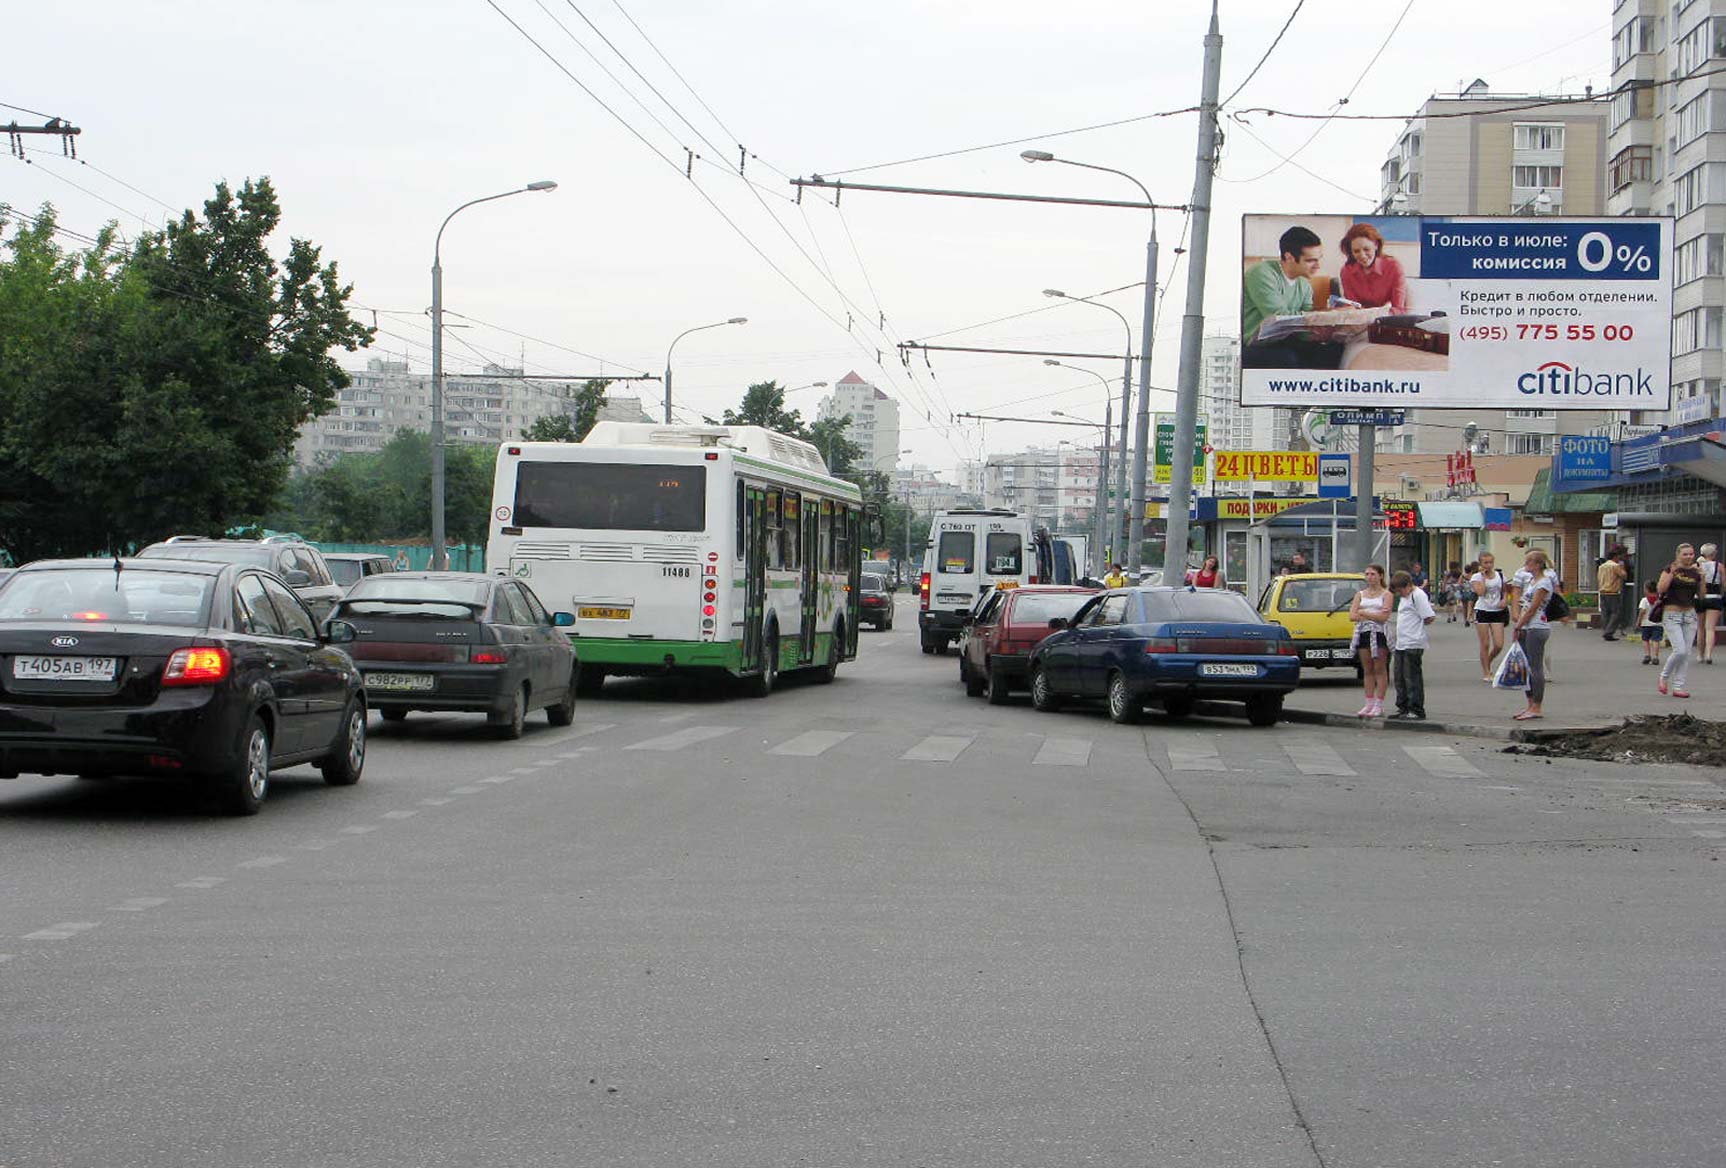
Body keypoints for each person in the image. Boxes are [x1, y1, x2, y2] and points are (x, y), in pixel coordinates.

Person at [1241, 226, 1345, 369]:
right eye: (1310, 260)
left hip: (1286, 341)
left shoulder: (1304, 284)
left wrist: (1322, 332)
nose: (1317, 266)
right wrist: (1321, 316)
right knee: (1287, 358)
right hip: (1253, 344)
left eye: (1318, 259)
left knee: (1333, 350)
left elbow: (1305, 323)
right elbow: (1278, 316)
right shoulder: (1261, 273)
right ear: (1289, 257)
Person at [1507, 549, 1558, 721]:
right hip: (1527, 626)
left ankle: (1537, 706)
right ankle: (1529, 704)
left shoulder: (1544, 583)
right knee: (1526, 666)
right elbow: (1524, 604)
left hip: (1537, 626)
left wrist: (1518, 625)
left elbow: (1533, 608)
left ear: (1537, 565)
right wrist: (1520, 624)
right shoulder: (1531, 581)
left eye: (1528, 562)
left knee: (1535, 666)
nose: (1525, 565)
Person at [1657, 543, 1704, 699]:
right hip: (1672, 613)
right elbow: (1661, 589)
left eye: (1691, 554)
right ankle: (1664, 677)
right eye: (1685, 554)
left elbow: (1702, 595)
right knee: (1680, 650)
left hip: (1689, 614)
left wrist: (1702, 577)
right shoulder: (1670, 568)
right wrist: (1672, 572)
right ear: (1678, 555)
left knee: (1686, 653)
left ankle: (1678, 686)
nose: (1689, 557)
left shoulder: (1695, 571)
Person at [1348, 563, 1394, 718]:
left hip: (1379, 634)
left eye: (1373, 574)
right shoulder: (1360, 594)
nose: (1370, 577)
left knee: (1380, 668)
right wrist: (1371, 614)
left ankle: (1379, 704)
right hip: (1363, 632)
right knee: (1367, 669)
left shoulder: (1386, 594)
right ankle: (1368, 702)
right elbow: (1353, 615)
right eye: (1367, 574)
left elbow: (1383, 617)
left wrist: (1364, 612)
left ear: (1380, 576)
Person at [1389, 569, 1435, 721]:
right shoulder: (1405, 597)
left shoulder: (1418, 595)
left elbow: (1429, 617)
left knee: (1412, 678)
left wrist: (1416, 626)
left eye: (1400, 590)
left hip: (1413, 642)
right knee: (1400, 677)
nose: (1399, 594)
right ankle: (1403, 707)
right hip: (1401, 643)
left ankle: (1416, 709)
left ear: (1408, 585)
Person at [1337, 222, 1409, 313]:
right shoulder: (1346, 271)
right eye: (1356, 251)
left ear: (1376, 245)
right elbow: (1353, 307)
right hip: (1360, 320)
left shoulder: (1394, 267)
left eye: (1366, 249)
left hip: (1387, 318)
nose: (1362, 256)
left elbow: (1398, 309)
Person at [1470, 552, 1509, 681]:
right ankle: (1486, 672)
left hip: (1497, 611)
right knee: (1485, 644)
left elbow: (1504, 590)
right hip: (1483, 610)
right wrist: (1483, 577)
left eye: (1490, 562)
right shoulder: (1476, 577)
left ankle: (1488, 661)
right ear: (1481, 564)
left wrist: (1504, 600)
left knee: (1498, 644)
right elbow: (1480, 592)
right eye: (1485, 563)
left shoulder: (1500, 575)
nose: (1488, 565)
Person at [1597, 546, 1628, 642]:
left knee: (1605, 613)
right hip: (1613, 592)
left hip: (1602, 592)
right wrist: (1623, 566)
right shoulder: (1615, 566)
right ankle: (1609, 632)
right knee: (1616, 613)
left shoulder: (1602, 566)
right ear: (1615, 556)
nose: (1620, 558)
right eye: (1619, 556)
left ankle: (1605, 630)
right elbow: (1624, 576)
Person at [1698, 542, 1722, 664]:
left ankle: (1700, 655)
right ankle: (1708, 654)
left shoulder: (1698, 565)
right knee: (1710, 628)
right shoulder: (1719, 566)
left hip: (1700, 597)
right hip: (1714, 596)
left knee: (1700, 628)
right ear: (1713, 553)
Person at [1637, 580, 1665, 666]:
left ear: (1646, 590)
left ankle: (1647, 655)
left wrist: (1639, 621)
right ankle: (1655, 657)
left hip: (1646, 623)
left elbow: (1642, 611)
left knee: (1645, 640)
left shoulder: (1644, 600)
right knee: (1656, 640)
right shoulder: (1660, 600)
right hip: (1658, 624)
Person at [1461, 560, 1479, 627]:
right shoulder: (1475, 575)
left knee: (1465, 607)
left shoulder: (1463, 575)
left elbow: (1459, 583)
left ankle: (1466, 619)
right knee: (1471, 606)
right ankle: (1470, 618)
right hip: (1472, 592)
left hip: (1464, 591)